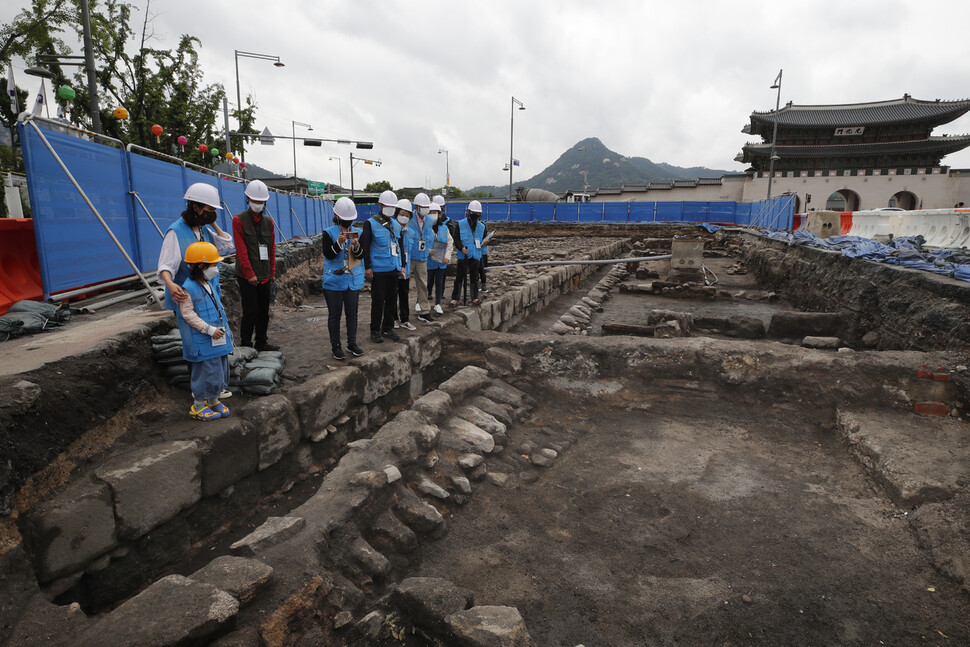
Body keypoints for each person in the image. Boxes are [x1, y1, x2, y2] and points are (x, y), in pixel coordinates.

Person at [158, 183, 235, 400]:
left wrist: (213, 224)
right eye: (209, 210)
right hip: (187, 298)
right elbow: (165, 265)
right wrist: (171, 286)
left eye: (213, 211)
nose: (212, 214)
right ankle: (200, 393)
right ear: (195, 206)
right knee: (196, 345)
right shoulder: (176, 232)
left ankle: (215, 388)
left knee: (214, 342)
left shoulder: (203, 230)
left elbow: (227, 246)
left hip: (209, 296)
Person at [175, 242, 233, 421]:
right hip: (204, 340)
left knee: (219, 371)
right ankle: (198, 406)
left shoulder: (206, 283)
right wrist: (208, 330)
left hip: (217, 338)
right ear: (202, 266)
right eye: (214, 265)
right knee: (205, 373)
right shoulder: (188, 288)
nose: (216, 268)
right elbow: (187, 314)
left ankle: (213, 400)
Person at [232, 179, 279, 351]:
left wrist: (272, 272)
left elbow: (272, 248)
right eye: (255, 200)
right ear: (247, 199)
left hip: (265, 274)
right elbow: (241, 250)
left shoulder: (268, 222)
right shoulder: (239, 220)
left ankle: (261, 341)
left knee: (263, 311)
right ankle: (245, 343)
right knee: (250, 310)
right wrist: (249, 273)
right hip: (246, 276)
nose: (258, 204)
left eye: (261, 201)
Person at [321, 196, 365, 360]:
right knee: (335, 315)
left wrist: (356, 246)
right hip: (334, 282)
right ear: (337, 216)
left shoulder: (359, 234)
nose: (348, 221)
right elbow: (329, 255)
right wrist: (339, 244)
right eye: (345, 218)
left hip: (352, 281)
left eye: (350, 219)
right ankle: (336, 346)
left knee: (352, 314)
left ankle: (352, 343)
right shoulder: (328, 233)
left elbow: (361, 255)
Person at [360, 189, 404, 344]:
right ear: (380, 205)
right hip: (378, 269)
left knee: (392, 300)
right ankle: (375, 330)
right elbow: (365, 246)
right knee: (378, 301)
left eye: (393, 206)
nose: (391, 208)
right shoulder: (370, 223)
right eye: (388, 205)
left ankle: (388, 327)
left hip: (393, 268)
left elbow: (401, 246)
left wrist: (402, 265)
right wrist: (367, 267)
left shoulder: (397, 226)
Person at [450, 200, 485, 306]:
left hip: (476, 254)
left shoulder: (482, 226)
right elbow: (456, 239)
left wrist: (485, 242)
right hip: (463, 255)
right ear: (469, 212)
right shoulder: (461, 224)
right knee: (459, 277)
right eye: (473, 213)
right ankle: (455, 298)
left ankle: (474, 298)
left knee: (474, 277)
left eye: (477, 213)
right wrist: (461, 248)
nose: (475, 215)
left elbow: (483, 241)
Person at [409, 193, 435, 321]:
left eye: (427, 207)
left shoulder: (429, 221)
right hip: (409, 257)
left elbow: (429, 237)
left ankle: (424, 311)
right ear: (416, 207)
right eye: (422, 206)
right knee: (402, 286)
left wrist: (428, 248)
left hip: (422, 257)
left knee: (423, 285)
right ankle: (398, 313)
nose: (425, 209)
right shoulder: (408, 219)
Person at [393, 198, 417, 331]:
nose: (404, 217)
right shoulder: (391, 230)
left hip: (405, 270)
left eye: (407, 215)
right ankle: (394, 318)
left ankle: (405, 319)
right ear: (396, 213)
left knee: (404, 294)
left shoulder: (411, 233)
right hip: (393, 268)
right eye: (402, 214)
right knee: (392, 295)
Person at [425, 201, 453, 314]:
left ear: (440, 214)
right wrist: (427, 250)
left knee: (439, 282)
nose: (433, 214)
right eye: (430, 212)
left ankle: (437, 304)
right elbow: (418, 242)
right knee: (426, 282)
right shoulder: (425, 228)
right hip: (428, 261)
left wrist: (447, 256)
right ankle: (420, 302)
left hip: (441, 261)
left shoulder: (444, 228)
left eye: (435, 212)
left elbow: (450, 243)